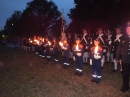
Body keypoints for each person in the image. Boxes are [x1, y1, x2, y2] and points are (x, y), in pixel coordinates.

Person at [116, 22, 130, 92]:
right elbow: (119, 48)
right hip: (125, 59)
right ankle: (125, 86)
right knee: (125, 74)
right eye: (127, 29)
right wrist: (117, 57)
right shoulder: (123, 37)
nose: (128, 30)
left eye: (129, 29)